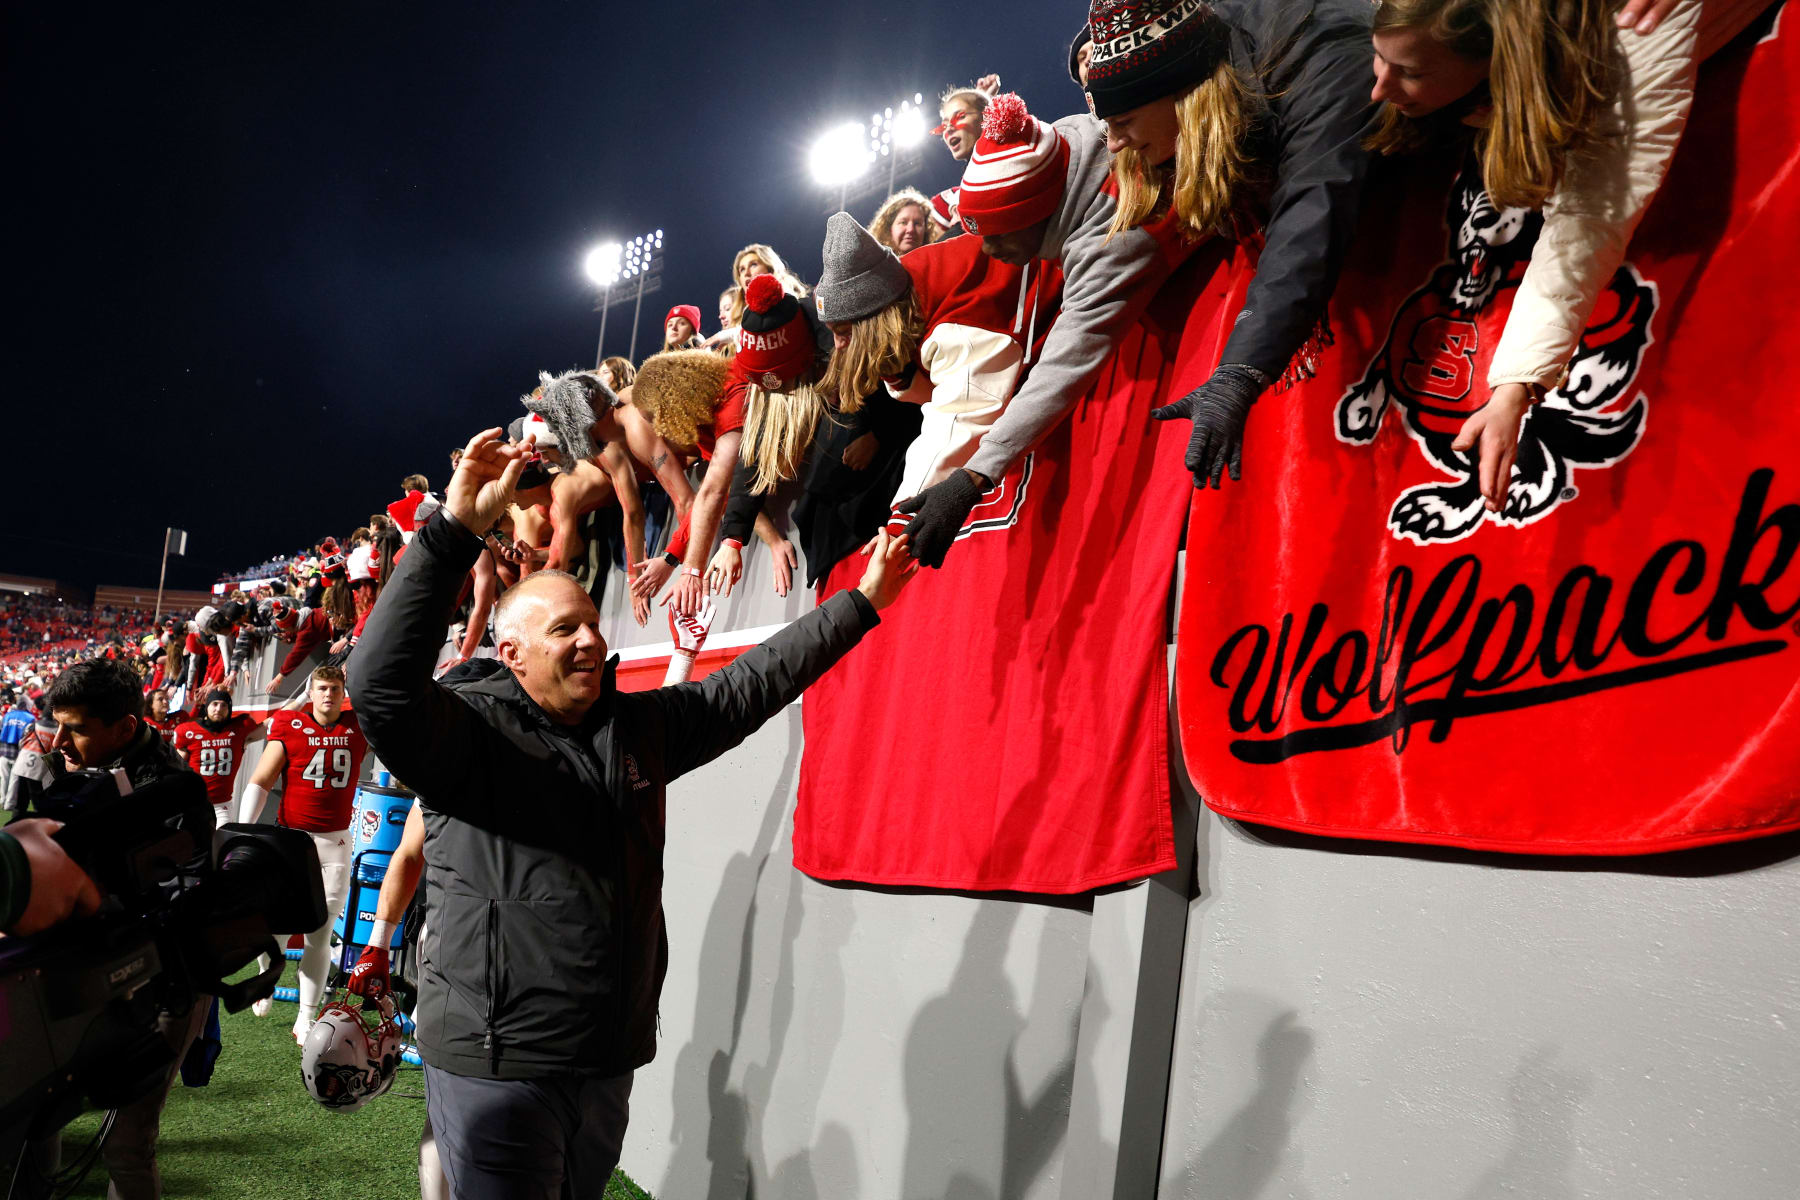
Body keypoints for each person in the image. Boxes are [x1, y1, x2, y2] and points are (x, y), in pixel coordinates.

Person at [350, 426, 917, 1200]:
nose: (591, 640)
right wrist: (450, 531)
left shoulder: (637, 727)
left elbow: (748, 687)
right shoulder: (466, 734)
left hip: (605, 1057)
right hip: (500, 1066)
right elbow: (377, 684)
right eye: (564, 630)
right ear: (512, 654)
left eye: (592, 622)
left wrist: (860, 604)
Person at [1366, 0, 1772, 510]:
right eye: (1380, 56)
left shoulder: (1632, 45)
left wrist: (1514, 386)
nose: (1379, 86)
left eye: (1411, 71)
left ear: (1496, 57)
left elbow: (1583, 232)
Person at [874, 88, 1192, 565]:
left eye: (997, 236)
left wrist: (973, 476)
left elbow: (1065, 365)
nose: (986, 251)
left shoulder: (1115, 233)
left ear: (1034, 216)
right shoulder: (1059, 140)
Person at [1084, 0, 1378, 492]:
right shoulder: (1208, 97)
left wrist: (1240, 371)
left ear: (1181, 97)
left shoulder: (1316, 53)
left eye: (1126, 119)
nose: (1113, 143)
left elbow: (1312, 210)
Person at [44, 659, 207, 1200]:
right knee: (40, 1112)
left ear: (125, 728)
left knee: (126, 1142)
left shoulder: (172, 791)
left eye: (78, 729)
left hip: (168, 972)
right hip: (102, 962)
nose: (60, 742)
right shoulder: (91, 765)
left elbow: (167, 900)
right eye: (58, 724)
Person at [238, 664, 369, 1042]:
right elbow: (261, 780)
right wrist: (247, 832)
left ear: (344, 691)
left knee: (320, 932)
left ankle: (306, 1016)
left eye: (335, 687)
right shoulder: (289, 725)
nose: (329, 694)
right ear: (311, 692)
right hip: (291, 841)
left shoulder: (358, 724)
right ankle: (267, 982)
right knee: (277, 928)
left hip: (336, 842)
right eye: (322, 687)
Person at [343, 797, 449, 1200]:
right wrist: (377, 945)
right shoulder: (452, 761)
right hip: (452, 952)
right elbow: (407, 853)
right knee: (445, 1106)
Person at [171, 688, 264, 827]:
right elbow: (176, 768)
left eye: (224, 705)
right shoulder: (188, 731)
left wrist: (303, 698)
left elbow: (273, 724)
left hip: (222, 806)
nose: (219, 708)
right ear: (207, 706)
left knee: (219, 844)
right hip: (194, 802)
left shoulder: (239, 729)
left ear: (229, 708)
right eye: (214, 704)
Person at [927, 76, 1001, 233]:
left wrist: (984, 101)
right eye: (944, 125)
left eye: (960, 117)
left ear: (986, 117)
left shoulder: (1004, 162)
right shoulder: (974, 173)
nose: (949, 129)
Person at [870, 188, 937, 256]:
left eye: (917, 223)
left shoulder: (935, 262)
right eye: (903, 222)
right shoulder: (872, 263)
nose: (911, 230)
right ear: (889, 228)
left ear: (926, 230)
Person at [731, 243, 810, 299]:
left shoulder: (801, 307)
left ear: (771, 269)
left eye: (753, 265)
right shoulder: (741, 320)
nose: (746, 273)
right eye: (742, 269)